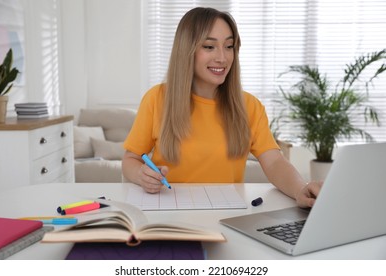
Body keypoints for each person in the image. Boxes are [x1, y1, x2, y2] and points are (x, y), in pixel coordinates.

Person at [122, 7, 321, 208]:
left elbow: (274, 162)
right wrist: (141, 175)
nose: (222, 58)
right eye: (209, 46)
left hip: (225, 215)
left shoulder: (249, 106)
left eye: (229, 46)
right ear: (186, 50)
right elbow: (130, 159)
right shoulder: (157, 99)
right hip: (167, 213)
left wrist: (299, 189)